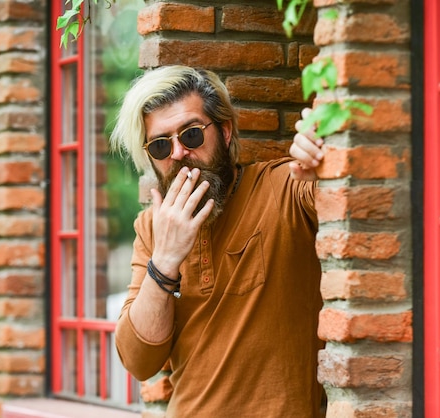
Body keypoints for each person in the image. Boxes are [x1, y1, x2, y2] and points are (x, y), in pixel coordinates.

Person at [111, 65, 326, 417]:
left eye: (192, 134)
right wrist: (164, 261)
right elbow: (138, 361)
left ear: (224, 131)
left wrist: (322, 161)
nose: (178, 152)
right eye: (162, 145)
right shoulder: (151, 228)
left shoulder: (281, 187)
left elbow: (343, 198)